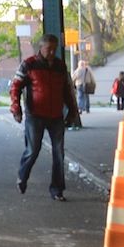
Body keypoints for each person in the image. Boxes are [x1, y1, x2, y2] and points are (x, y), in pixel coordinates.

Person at [11, 33, 73, 199]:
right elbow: (15, 87)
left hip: (56, 116)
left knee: (59, 152)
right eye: (48, 49)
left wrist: (72, 110)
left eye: (54, 49)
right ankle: (22, 176)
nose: (52, 52)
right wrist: (16, 107)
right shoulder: (29, 65)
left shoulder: (61, 66)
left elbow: (67, 90)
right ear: (41, 47)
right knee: (33, 150)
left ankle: (57, 189)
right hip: (35, 115)